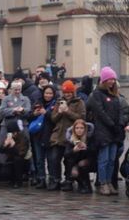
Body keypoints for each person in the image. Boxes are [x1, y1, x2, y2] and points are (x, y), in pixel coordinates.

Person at [87, 67, 121, 196]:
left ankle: (109, 181)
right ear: (104, 80)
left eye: (113, 79)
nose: (112, 81)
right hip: (103, 131)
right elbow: (100, 112)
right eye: (110, 79)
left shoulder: (114, 95)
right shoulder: (97, 94)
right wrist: (112, 124)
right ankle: (103, 183)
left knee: (112, 159)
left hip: (114, 132)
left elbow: (119, 112)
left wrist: (119, 125)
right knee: (104, 159)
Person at [49, 80, 85, 191]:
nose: (67, 94)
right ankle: (56, 180)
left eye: (69, 92)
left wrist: (67, 111)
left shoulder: (79, 102)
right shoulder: (58, 102)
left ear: (73, 92)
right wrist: (59, 112)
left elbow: (81, 118)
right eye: (65, 92)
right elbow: (53, 119)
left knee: (69, 160)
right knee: (54, 158)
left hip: (71, 136)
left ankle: (69, 180)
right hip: (58, 135)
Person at [65, 119, 95, 193]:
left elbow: (94, 152)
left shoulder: (89, 138)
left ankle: (87, 185)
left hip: (89, 162)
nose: (79, 130)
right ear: (74, 129)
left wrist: (86, 148)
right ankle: (81, 184)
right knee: (74, 171)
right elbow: (66, 155)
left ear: (85, 129)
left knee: (82, 164)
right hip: (75, 163)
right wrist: (73, 151)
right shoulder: (71, 140)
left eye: (81, 128)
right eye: (77, 128)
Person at [0, 119, 30, 187]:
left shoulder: (23, 138)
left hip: (22, 160)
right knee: (7, 168)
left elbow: (21, 153)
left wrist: (13, 145)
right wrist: (5, 144)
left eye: (13, 132)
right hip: (11, 159)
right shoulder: (9, 137)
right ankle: (11, 179)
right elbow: (1, 151)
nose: (12, 134)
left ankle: (18, 181)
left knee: (17, 160)